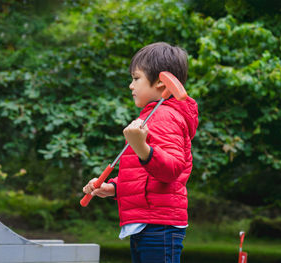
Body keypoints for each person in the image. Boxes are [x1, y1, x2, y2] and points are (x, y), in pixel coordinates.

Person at [82, 42, 199, 263]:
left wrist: (142, 147)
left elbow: (172, 169)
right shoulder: (151, 116)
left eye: (136, 78)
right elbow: (142, 175)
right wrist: (113, 187)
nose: (130, 85)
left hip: (159, 226)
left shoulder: (166, 117)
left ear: (161, 83)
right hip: (147, 223)